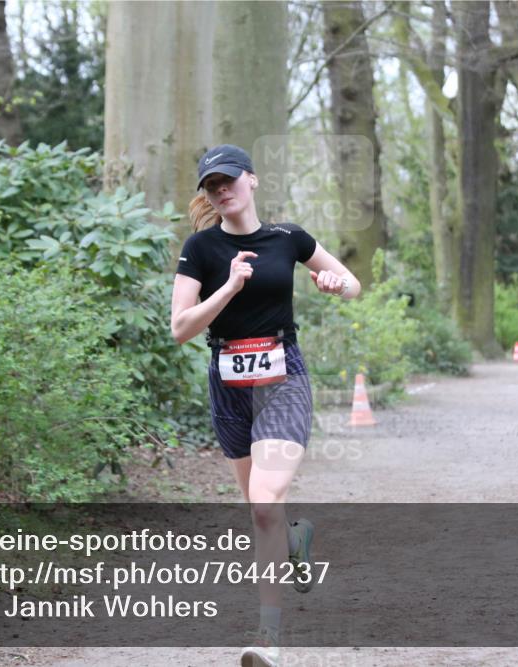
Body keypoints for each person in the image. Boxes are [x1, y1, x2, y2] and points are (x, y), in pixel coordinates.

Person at [170, 144, 360, 667]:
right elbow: (180, 328)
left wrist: (334, 283)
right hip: (227, 382)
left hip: (283, 378)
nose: (221, 190)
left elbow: (352, 284)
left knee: (262, 503)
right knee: (266, 515)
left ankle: (268, 636)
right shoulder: (200, 249)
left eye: (229, 180)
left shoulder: (288, 238)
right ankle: (294, 539)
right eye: (212, 186)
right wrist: (228, 288)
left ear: (251, 180)